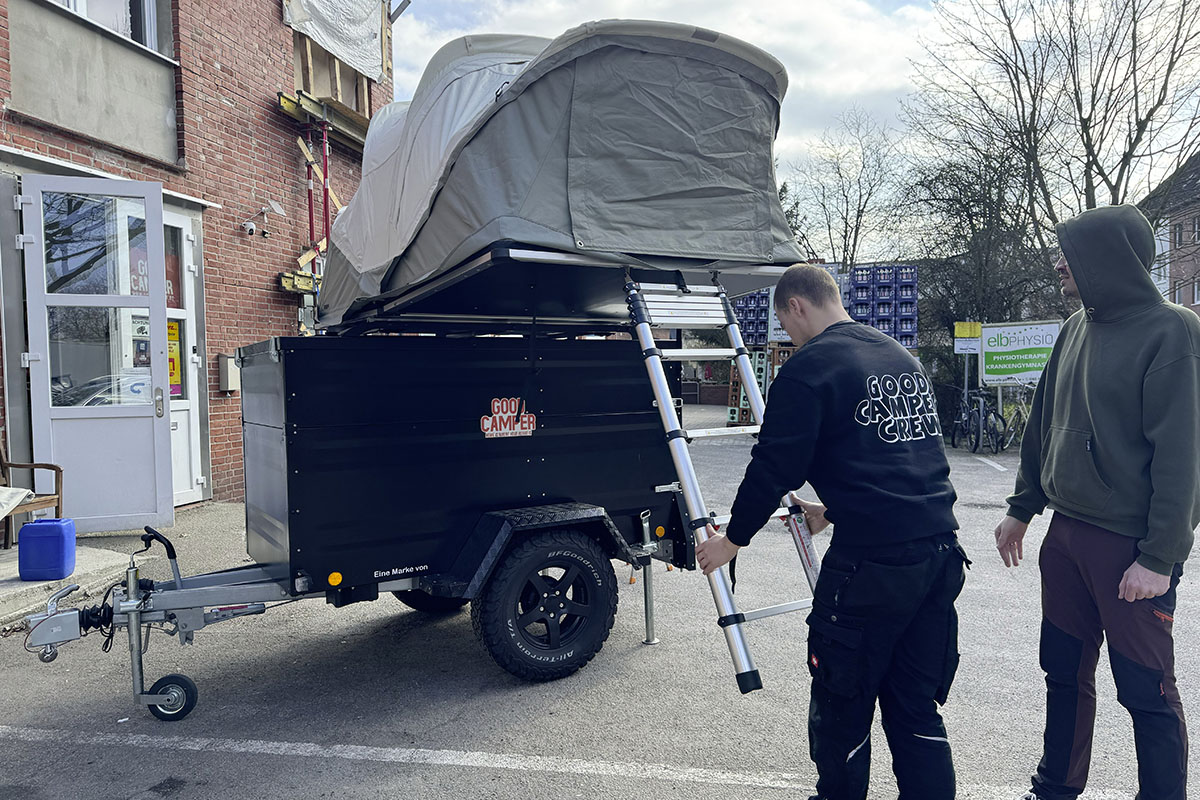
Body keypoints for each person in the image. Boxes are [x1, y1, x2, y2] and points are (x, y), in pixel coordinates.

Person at [696, 264, 966, 800]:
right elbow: (900, 464)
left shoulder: (810, 368)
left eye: (784, 323)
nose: (788, 337)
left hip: (872, 569)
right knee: (915, 710)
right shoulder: (900, 359)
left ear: (796, 306)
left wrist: (731, 542)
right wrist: (834, 508)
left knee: (843, 711)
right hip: (939, 554)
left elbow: (772, 466)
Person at [993, 203, 1195, 800]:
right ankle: (1055, 788)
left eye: (1070, 254)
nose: (1059, 264)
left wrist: (1159, 556)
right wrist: (1022, 506)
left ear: (1108, 258)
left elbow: (1184, 456)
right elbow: (1042, 422)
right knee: (1062, 671)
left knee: (1145, 688)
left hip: (1130, 547)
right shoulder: (1074, 326)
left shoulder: (1173, 331)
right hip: (1068, 536)